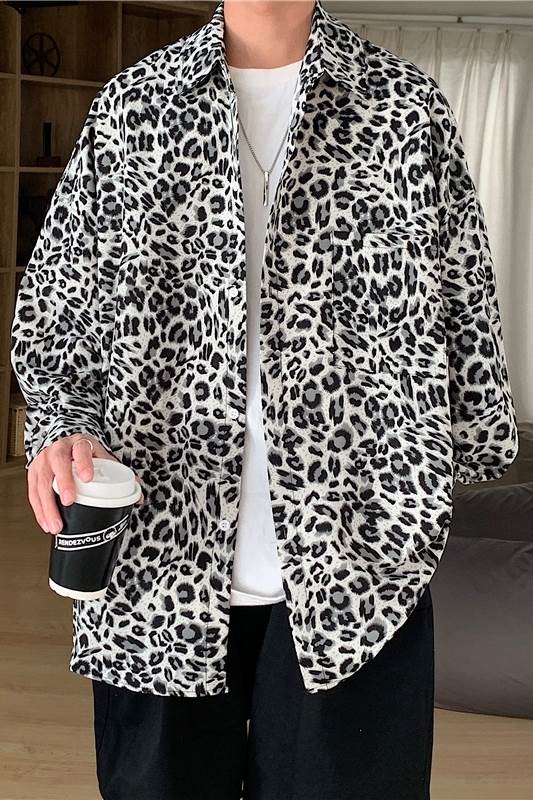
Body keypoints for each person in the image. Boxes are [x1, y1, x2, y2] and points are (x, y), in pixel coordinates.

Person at [10, 0, 519, 798]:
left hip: (359, 561)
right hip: (158, 559)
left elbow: (464, 302)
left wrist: (443, 460)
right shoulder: (134, 108)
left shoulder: (402, 107)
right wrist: (62, 424)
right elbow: (59, 307)